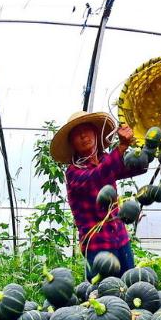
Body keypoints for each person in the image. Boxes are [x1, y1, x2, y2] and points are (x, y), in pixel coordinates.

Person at [51, 111, 146, 280]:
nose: (82, 135)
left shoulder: (106, 159)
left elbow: (136, 166)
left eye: (86, 129)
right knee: (104, 297)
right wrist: (121, 147)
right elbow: (97, 177)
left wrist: (153, 146)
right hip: (98, 246)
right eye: (76, 134)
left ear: (95, 133)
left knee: (129, 289)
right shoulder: (73, 173)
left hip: (120, 239)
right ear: (72, 143)